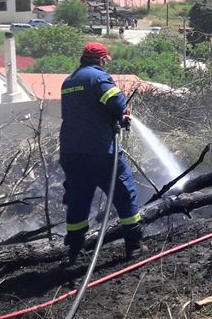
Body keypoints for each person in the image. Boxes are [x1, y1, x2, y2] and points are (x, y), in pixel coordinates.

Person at [59, 42, 142, 264]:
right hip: (100, 151)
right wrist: (122, 114)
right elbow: (115, 101)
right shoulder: (98, 78)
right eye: (105, 60)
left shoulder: (69, 82)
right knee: (124, 192)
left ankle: (75, 251)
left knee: (78, 200)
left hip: (72, 153)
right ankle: (134, 245)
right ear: (101, 60)